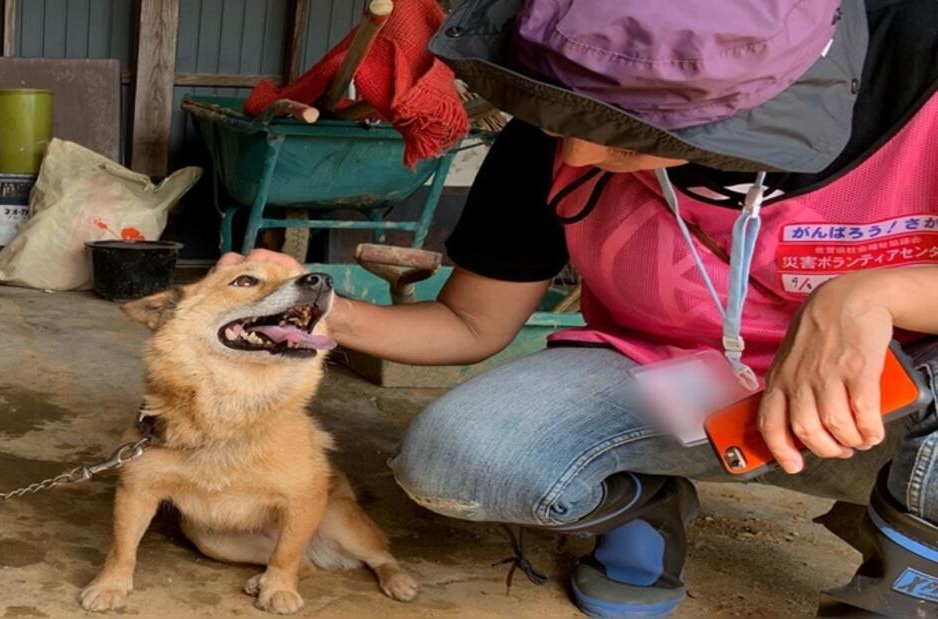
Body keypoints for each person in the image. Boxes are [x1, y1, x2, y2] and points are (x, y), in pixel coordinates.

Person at [220, 0, 938, 616]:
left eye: (628, 134)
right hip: (666, 376)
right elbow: (474, 321)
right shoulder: (560, 112)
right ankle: (642, 503)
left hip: (891, 395)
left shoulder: (919, 70)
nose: (579, 152)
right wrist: (324, 309)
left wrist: (875, 293)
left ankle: (909, 570)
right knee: (461, 460)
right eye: (565, 118)